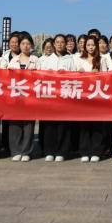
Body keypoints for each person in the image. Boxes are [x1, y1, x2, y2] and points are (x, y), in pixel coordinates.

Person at [39, 34, 75, 162]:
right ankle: (50, 151)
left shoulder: (70, 59)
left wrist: (66, 74)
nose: (60, 44)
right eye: (57, 42)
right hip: (51, 96)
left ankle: (62, 151)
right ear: (54, 44)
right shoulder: (47, 59)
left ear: (65, 44)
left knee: (63, 124)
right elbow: (41, 76)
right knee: (50, 125)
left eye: (62, 42)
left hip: (65, 95)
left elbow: (75, 76)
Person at [76, 35, 110, 162]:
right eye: (88, 45)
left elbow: (107, 78)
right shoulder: (80, 60)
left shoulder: (102, 60)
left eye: (93, 45)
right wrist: (79, 73)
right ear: (85, 46)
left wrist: (99, 74)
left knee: (97, 125)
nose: (91, 47)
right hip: (84, 96)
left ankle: (96, 151)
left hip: (97, 96)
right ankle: (85, 151)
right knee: (84, 125)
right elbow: (73, 78)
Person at [6, 35, 38, 162]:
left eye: (28, 44)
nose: (25, 46)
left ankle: (26, 151)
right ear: (19, 45)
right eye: (23, 43)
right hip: (15, 96)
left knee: (28, 125)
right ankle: (15, 151)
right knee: (15, 125)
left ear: (31, 46)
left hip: (30, 96)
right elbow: (6, 78)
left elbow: (43, 77)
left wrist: (36, 72)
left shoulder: (36, 60)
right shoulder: (13, 61)